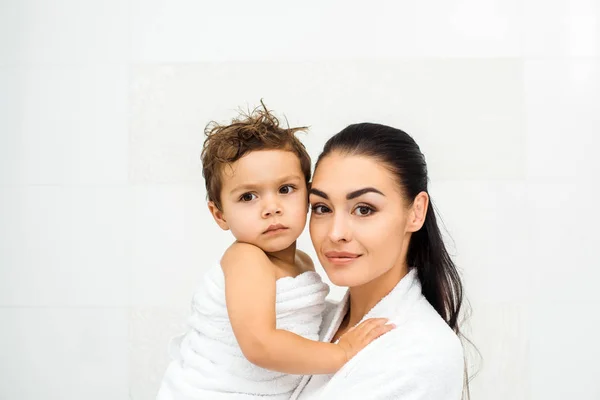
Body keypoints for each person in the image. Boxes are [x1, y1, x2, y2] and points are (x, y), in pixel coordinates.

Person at [156, 106, 394, 400]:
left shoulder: (303, 262)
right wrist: (340, 353)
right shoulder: (247, 259)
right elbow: (260, 345)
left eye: (285, 189)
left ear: (308, 194)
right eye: (248, 196)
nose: (271, 207)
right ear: (219, 215)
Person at [291, 123, 467, 399]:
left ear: (416, 212)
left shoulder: (424, 352)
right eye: (322, 208)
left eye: (364, 209)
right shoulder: (306, 321)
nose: (336, 233)